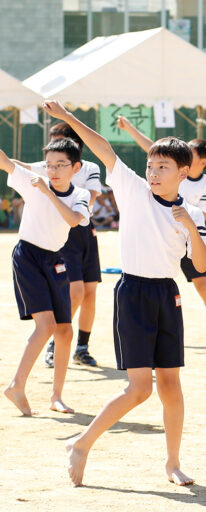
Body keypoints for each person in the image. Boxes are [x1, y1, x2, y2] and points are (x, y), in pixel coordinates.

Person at [43, 100, 206, 488]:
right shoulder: (133, 189)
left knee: (171, 386)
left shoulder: (193, 214)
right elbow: (104, 148)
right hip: (133, 293)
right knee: (139, 389)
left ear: (184, 172)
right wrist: (68, 119)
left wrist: (189, 224)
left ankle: (172, 463)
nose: (153, 172)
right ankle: (82, 444)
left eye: (162, 167)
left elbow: (200, 265)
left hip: (168, 296)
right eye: (151, 166)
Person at [116, 117, 206, 345]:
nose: (184, 152)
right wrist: (130, 128)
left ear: (202, 161)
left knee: (203, 283)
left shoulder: (205, 183)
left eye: (190, 151)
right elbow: (152, 148)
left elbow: (203, 216)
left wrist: (185, 225)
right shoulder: (165, 171)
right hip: (163, 240)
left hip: (185, 239)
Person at [1, 139, 90, 416]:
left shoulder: (81, 195)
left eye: (60, 165)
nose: (53, 170)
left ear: (75, 167)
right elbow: (4, 160)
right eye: (49, 164)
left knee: (65, 329)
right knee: (46, 325)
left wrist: (48, 193)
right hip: (28, 256)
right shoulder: (33, 180)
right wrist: (41, 186)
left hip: (55, 260)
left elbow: (74, 220)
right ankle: (16, 386)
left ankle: (56, 397)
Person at [16, 123, 104, 368]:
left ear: (76, 145)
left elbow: (89, 199)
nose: (55, 147)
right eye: (52, 142)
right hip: (64, 234)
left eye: (60, 140)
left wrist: (72, 203)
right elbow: (23, 167)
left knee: (89, 292)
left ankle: (82, 348)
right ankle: (57, 342)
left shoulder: (89, 168)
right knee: (74, 292)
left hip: (85, 232)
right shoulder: (50, 168)